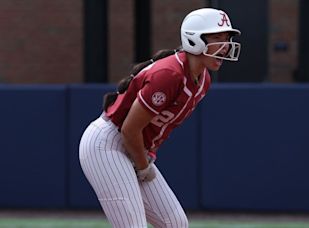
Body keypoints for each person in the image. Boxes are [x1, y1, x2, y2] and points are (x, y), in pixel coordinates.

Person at [79, 7, 241, 228]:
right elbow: (129, 129)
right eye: (217, 38)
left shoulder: (203, 80)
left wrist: (144, 160)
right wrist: (143, 165)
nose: (225, 46)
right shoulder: (169, 74)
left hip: (134, 147)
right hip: (108, 144)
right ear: (194, 38)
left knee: (176, 223)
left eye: (227, 39)